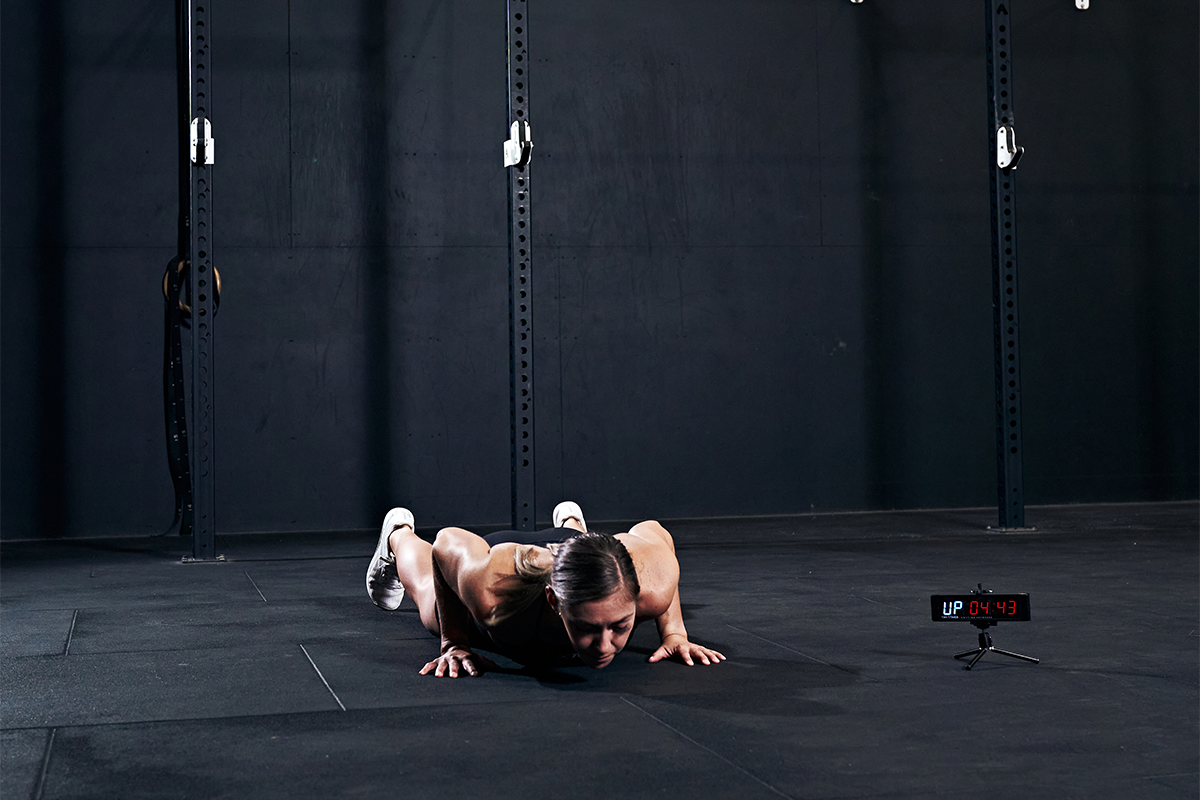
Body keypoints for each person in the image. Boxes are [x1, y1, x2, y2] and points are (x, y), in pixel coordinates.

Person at [365, 501, 725, 677]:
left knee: (593, 555)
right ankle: (399, 533)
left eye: (619, 627)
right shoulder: (495, 595)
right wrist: (454, 643)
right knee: (431, 602)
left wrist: (675, 632)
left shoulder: (654, 584)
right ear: (554, 601)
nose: (604, 646)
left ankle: (574, 528)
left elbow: (654, 530)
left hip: (577, 549)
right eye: (586, 627)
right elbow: (447, 543)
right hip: (506, 561)